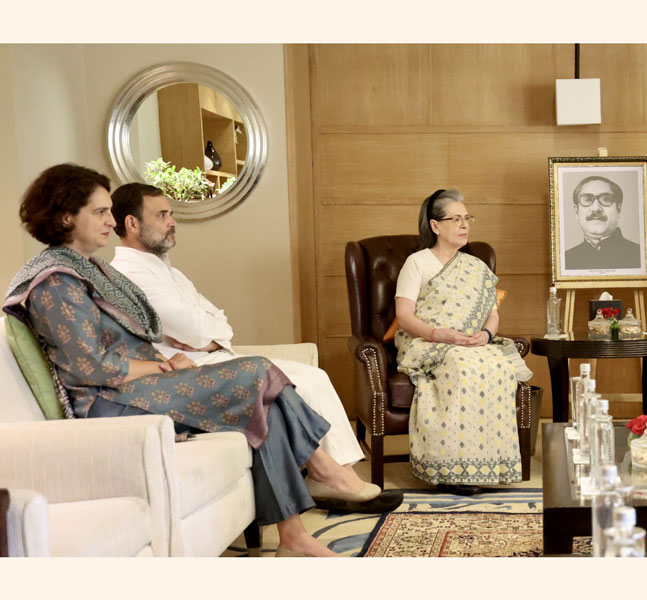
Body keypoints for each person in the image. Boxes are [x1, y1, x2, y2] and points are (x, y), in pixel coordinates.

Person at [3, 164, 392, 557]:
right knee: (256, 371)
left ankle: (294, 538)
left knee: (262, 404)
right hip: (108, 404)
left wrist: (160, 362)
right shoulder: (56, 282)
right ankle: (323, 468)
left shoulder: (92, 268)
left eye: (109, 211)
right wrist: (163, 365)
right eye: (100, 212)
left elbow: (135, 340)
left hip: (137, 388)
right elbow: (90, 367)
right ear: (66, 216)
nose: (110, 221)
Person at [107, 183, 370, 504]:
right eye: (162, 215)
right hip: (188, 371)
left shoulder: (166, 270)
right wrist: (207, 337)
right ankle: (332, 478)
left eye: (171, 214)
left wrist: (209, 338)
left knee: (315, 377)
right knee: (304, 382)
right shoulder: (130, 274)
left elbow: (218, 325)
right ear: (132, 224)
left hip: (210, 357)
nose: (172, 222)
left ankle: (340, 473)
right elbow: (196, 328)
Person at [393, 189, 532, 493]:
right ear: (435, 226)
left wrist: (487, 335)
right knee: (462, 365)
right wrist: (438, 334)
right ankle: (453, 469)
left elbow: (491, 315)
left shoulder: (476, 267)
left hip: (471, 341)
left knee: (497, 363)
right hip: (428, 341)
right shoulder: (417, 263)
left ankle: (490, 464)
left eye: (466, 218)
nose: (464, 225)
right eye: (455, 219)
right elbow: (404, 316)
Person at [564, 175, 641, 270]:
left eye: (606, 199)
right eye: (587, 200)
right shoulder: (565, 260)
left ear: (619, 209)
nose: (596, 208)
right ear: (576, 211)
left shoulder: (640, 256)